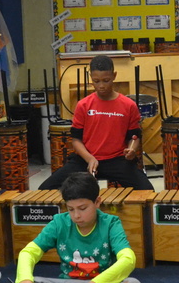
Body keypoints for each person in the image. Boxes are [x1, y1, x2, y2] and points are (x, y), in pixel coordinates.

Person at [14, 172, 142, 283]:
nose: (76, 216)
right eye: (70, 209)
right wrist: (24, 279)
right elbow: (29, 252)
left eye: (82, 208)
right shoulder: (59, 223)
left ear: (97, 202)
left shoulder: (111, 223)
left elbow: (128, 259)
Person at [38, 54, 154, 190]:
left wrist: (132, 150)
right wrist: (90, 159)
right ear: (90, 78)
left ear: (114, 76)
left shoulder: (128, 105)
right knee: (45, 189)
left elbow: (134, 136)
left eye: (106, 80)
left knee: (148, 191)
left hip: (116, 160)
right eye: (96, 81)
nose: (101, 86)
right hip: (86, 159)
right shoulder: (83, 105)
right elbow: (76, 140)